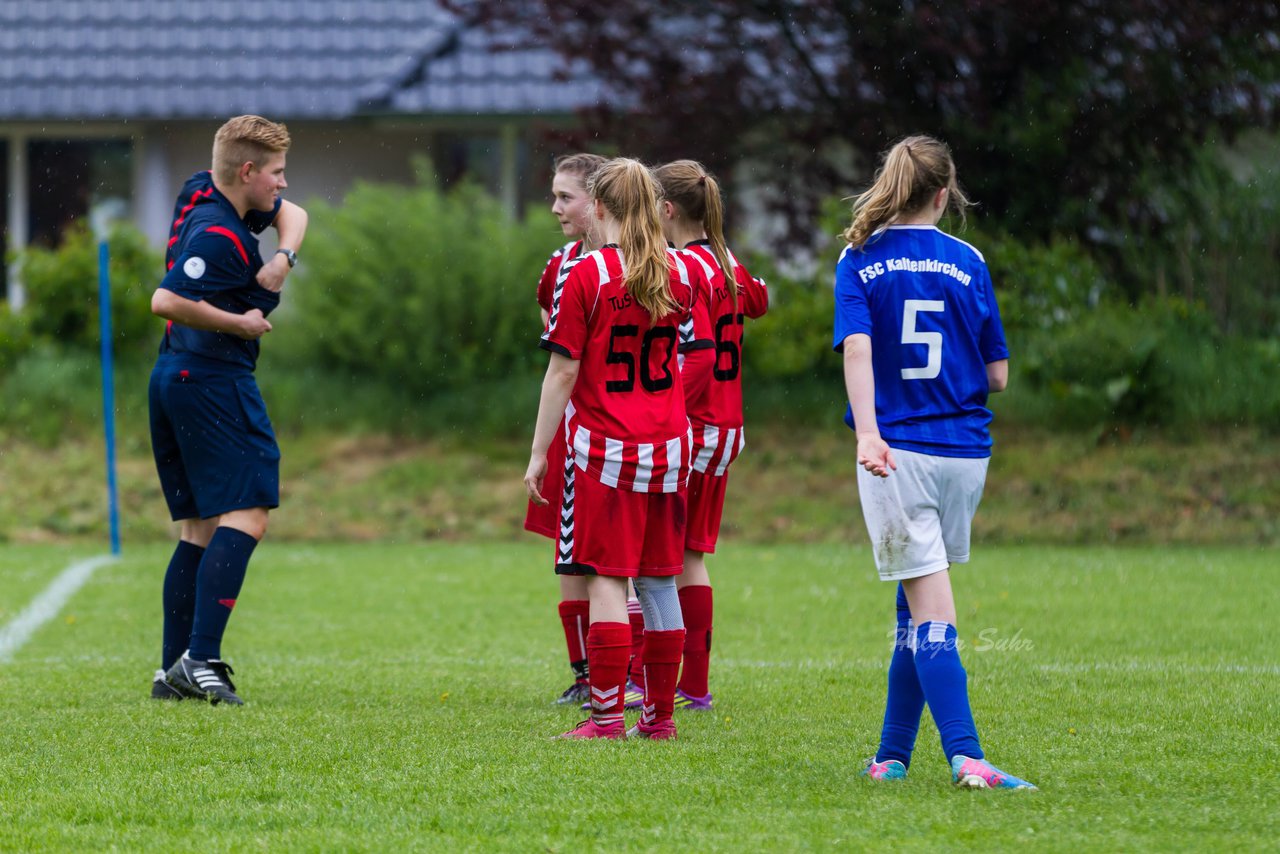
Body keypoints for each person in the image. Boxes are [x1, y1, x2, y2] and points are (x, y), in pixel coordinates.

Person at [832, 135, 1036, 789]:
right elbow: (998, 373)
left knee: (933, 616)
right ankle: (891, 758)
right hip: (966, 455)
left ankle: (967, 755)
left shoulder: (859, 257)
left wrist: (868, 430)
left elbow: (857, 351)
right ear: (944, 196)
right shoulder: (969, 259)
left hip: (898, 453)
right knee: (914, 608)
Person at [524, 157, 696, 739]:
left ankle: (604, 719)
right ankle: (661, 718)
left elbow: (562, 374)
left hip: (607, 450)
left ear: (598, 207)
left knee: (604, 579)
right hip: (671, 448)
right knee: (659, 580)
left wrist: (539, 452)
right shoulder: (681, 272)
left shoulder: (588, 274)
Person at [147, 115, 308, 705]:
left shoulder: (203, 187)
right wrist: (238, 320)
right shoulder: (217, 235)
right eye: (276, 173)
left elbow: (297, 217)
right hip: (211, 379)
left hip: (174, 376)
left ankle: (172, 672)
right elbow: (166, 299)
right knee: (251, 513)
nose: (283, 186)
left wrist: (282, 258)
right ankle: (202, 658)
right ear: (247, 172)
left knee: (199, 528)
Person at [526, 153, 646, 709]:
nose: (556, 208)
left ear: (598, 203)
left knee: (630, 560)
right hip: (583, 426)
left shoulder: (642, 264)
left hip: (611, 426)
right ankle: (587, 674)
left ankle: (633, 676)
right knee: (570, 551)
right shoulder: (561, 265)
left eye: (566, 197)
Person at [653, 160, 769, 711]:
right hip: (728, 424)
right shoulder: (723, 259)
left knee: (659, 557)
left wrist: (666, 408)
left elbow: (695, 355)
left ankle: (654, 680)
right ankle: (694, 685)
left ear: (667, 210)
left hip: (691, 426)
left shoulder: (680, 266)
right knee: (692, 554)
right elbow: (760, 299)